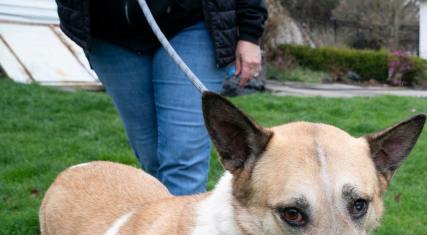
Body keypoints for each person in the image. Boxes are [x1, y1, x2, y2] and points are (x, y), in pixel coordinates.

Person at [56, 0, 268, 196]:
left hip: (191, 22)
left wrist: (250, 33)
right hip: (110, 32)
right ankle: (159, 230)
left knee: (182, 161)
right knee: (152, 162)